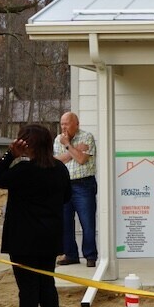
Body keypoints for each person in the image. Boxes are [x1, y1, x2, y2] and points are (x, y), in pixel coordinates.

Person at [0, 124, 72, 307]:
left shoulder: (23, 170)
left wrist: (10, 155)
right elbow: (66, 197)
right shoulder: (59, 168)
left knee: (28, 290)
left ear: (27, 144)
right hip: (49, 237)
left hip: (23, 239)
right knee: (47, 285)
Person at [54, 111, 98, 269]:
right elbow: (56, 161)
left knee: (87, 222)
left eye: (66, 124)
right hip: (64, 185)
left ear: (76, 124)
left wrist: (67, 146)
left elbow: (81, 159)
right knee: (65, 222)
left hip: (83, 185)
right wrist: (74, 150)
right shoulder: (57, 139)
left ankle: (90, 256)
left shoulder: (87, 137)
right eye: (62, 124)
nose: (63, 127)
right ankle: (71, 255)